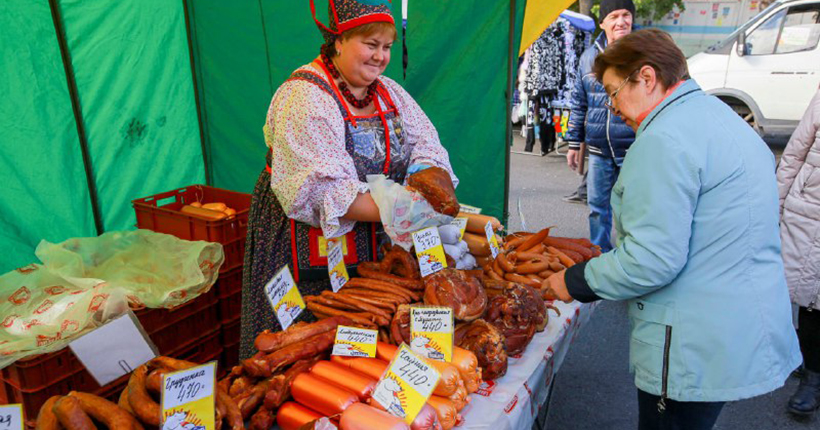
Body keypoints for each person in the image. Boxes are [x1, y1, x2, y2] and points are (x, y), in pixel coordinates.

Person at [546, 29, 801, 430]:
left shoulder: (664, 138)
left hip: (692, 341)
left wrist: (574, 280)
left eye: (613, 92)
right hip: (735, 325)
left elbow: (651, 259)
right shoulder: (719, 116)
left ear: (647, 78)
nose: (612, 107)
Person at [239, 0, 457, 359]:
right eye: (371, 45)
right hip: (304, 234)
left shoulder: (388, 92)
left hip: (372, 234)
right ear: (338, 40)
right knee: (303, 339)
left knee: (363, 329)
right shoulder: (304, 96)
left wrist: (423, 178)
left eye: (387, 47)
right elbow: (322, 190)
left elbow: (426, 144)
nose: (380, 57)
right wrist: (404, 209)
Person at [563, 0, 637, 253]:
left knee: (633, 210)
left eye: (626, 15)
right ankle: (600, 256)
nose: (621, 21)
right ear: (603, 22)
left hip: (635, 150)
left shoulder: (643, 53)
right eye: (614, 16)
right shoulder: (589, 57)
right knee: (597, 209)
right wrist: (574, 142)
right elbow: (579, 101)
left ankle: (631, 260)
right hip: (598, 149)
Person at [777, 88, 820, 418]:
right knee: (810, 298)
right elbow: (795, 152)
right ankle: (812, 372)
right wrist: (775, 202)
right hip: (810, 209)